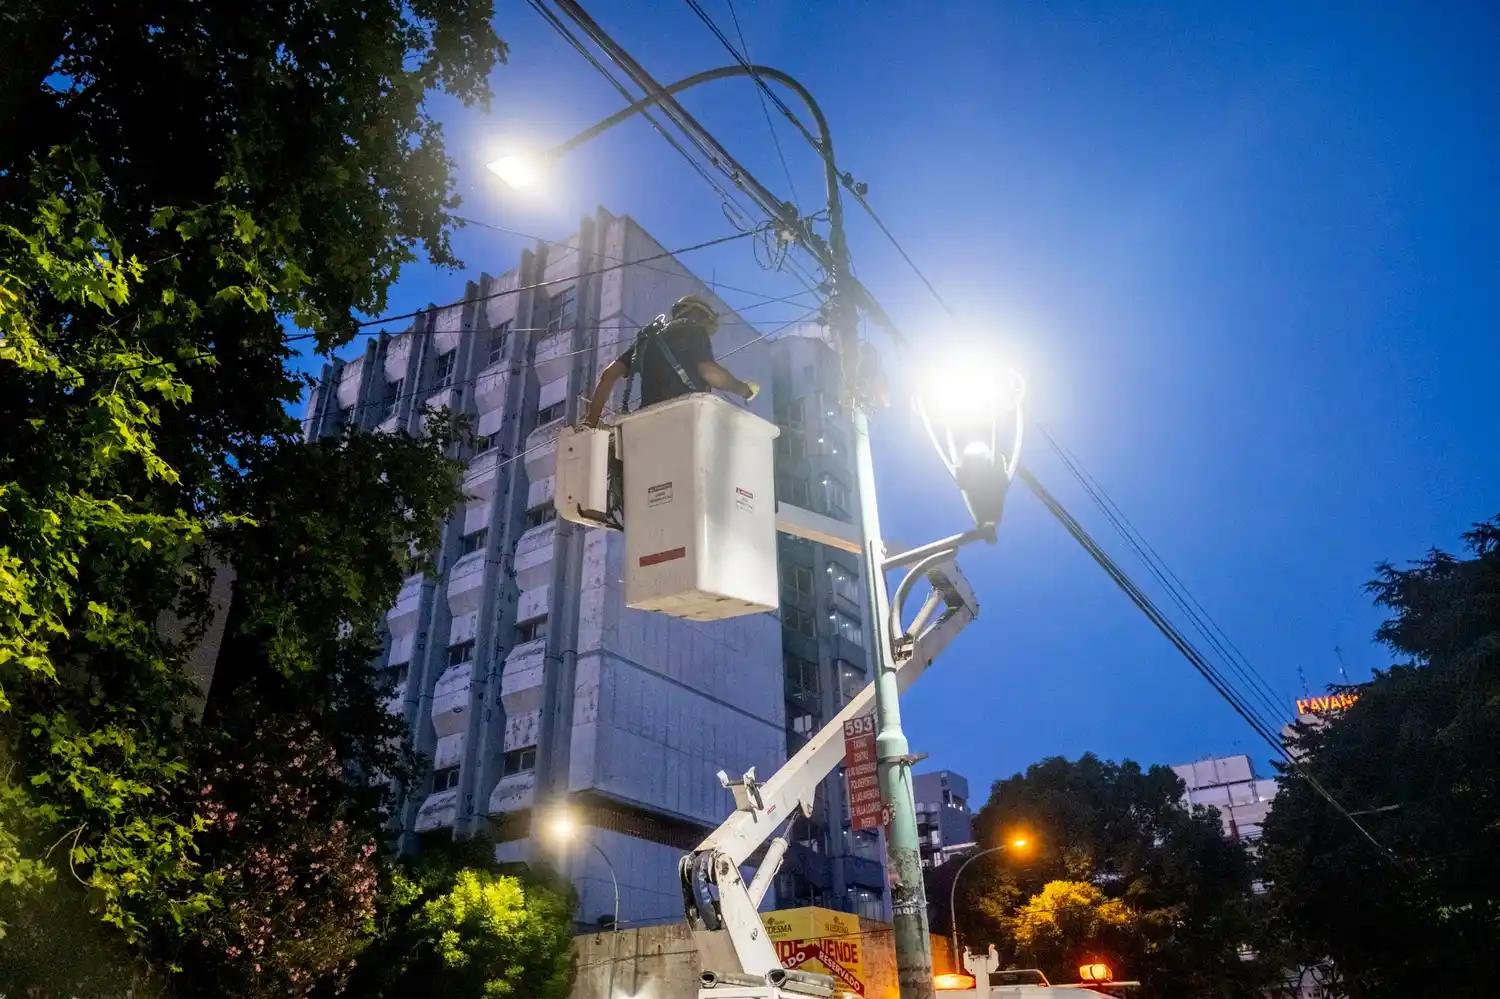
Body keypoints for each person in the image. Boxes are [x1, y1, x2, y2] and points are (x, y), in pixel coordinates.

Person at [583, 294, 759, 427]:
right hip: (684, 421)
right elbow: (709, 372)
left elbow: (609, 375)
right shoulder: (695, 330)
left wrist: (592, 422)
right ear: (700, 314)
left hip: (645, 424)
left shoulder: (647, 338)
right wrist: (744, 390)